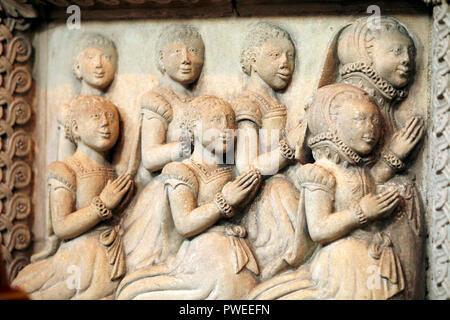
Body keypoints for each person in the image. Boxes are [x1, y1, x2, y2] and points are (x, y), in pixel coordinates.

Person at [249, 84, 406, 300]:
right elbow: (319, 229)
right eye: (359, 119)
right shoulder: (321, 172)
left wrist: (395, 157)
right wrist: (361, 212)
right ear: (332, 125)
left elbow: (370, 184)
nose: (370, 128)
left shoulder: (358, 170)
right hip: (341, 266)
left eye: (375, 121)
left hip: (372, 258)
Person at [316, 16, 426, 298]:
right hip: (343, 243)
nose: (407, 60)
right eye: (396, 51)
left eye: (410, 52)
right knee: (402, 191)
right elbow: (346, 184)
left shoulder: (383, 108)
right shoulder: (344, 104)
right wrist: (392, 159)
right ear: (367, 53)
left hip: (366, 240)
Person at [116, 95, 261, 300]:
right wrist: (223, 202)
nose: (226, 128)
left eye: (230, 122)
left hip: (235, 254)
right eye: (216, 120)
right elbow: (184, 224)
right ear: (195, 127)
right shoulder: (182, 171)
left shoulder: (231, 171)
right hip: (200, 258)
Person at [12, 95, 133, 299]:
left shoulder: (114, 171)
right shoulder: (66, 170)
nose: (105, 123)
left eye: (111, 117)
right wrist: (102, 205)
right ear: (76, 129)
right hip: (79, 255)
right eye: (95, 116)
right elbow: (61, 227)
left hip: (110, 249)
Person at [121, 24, 207, 273]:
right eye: (177, 52)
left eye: (193, 51)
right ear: (161, 59)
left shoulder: (200, 102)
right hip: (164, 191)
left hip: (198, 185)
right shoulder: (158, 100)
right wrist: (190, 147)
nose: (187, 59)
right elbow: (150, 157)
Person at [232, 22, 314, 280]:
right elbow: (246, 168)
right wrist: (289, 147)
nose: (285, 63)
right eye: (275, 55)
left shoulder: (274, 104)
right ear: (253, 60)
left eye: (290, 56)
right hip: (263, 200)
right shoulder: (248, 103)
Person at [57, 33, 118, 161]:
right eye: (90, 57)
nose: (98, 64)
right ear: (77, 67)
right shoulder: (69, 110)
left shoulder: (114, 109)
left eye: (106, 57)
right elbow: (63, 165)